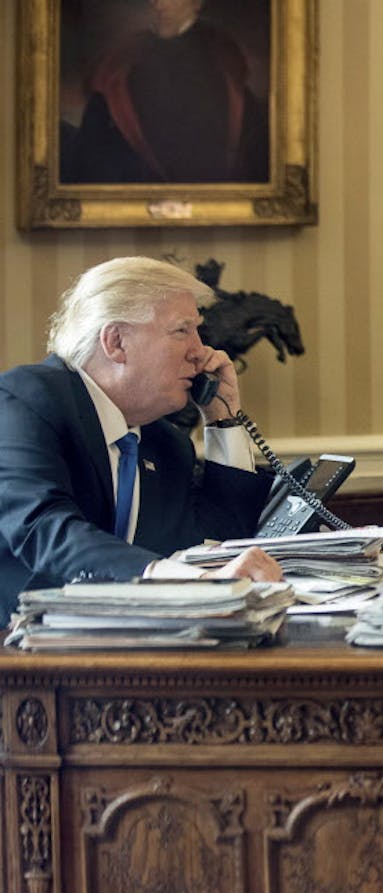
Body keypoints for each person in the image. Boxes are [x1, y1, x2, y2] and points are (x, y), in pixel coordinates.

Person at [0, 257, 282, 619]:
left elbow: (219, 544)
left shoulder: (166, 443)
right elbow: (43, 530)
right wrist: (173, 579)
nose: (201, 351)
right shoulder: (25, 400)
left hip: (124, 648)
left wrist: (223, 421)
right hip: (17, 647)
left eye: (198, 330)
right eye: (182, 330)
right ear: (116, 342)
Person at [62, 0, 269, 183]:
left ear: (197, 3)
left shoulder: (222, 54)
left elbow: (245, 139)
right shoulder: (124, 58)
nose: (161, 3)